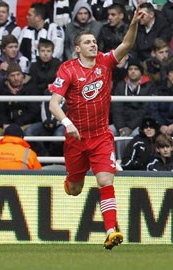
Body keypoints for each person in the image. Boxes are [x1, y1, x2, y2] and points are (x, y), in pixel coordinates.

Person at [48, 9, 147, 250]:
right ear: (77, 49)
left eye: (94, 41)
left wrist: (133, 22)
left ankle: (111, 231)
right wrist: (67, 123)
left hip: (101, 135)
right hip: (76, 138)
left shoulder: (105, 62)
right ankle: (72, 179)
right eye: (87, 42)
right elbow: (53, 104)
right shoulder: (68, 69)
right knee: (75, 189)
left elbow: (127, 43)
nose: (93, 45)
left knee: (105, 180)